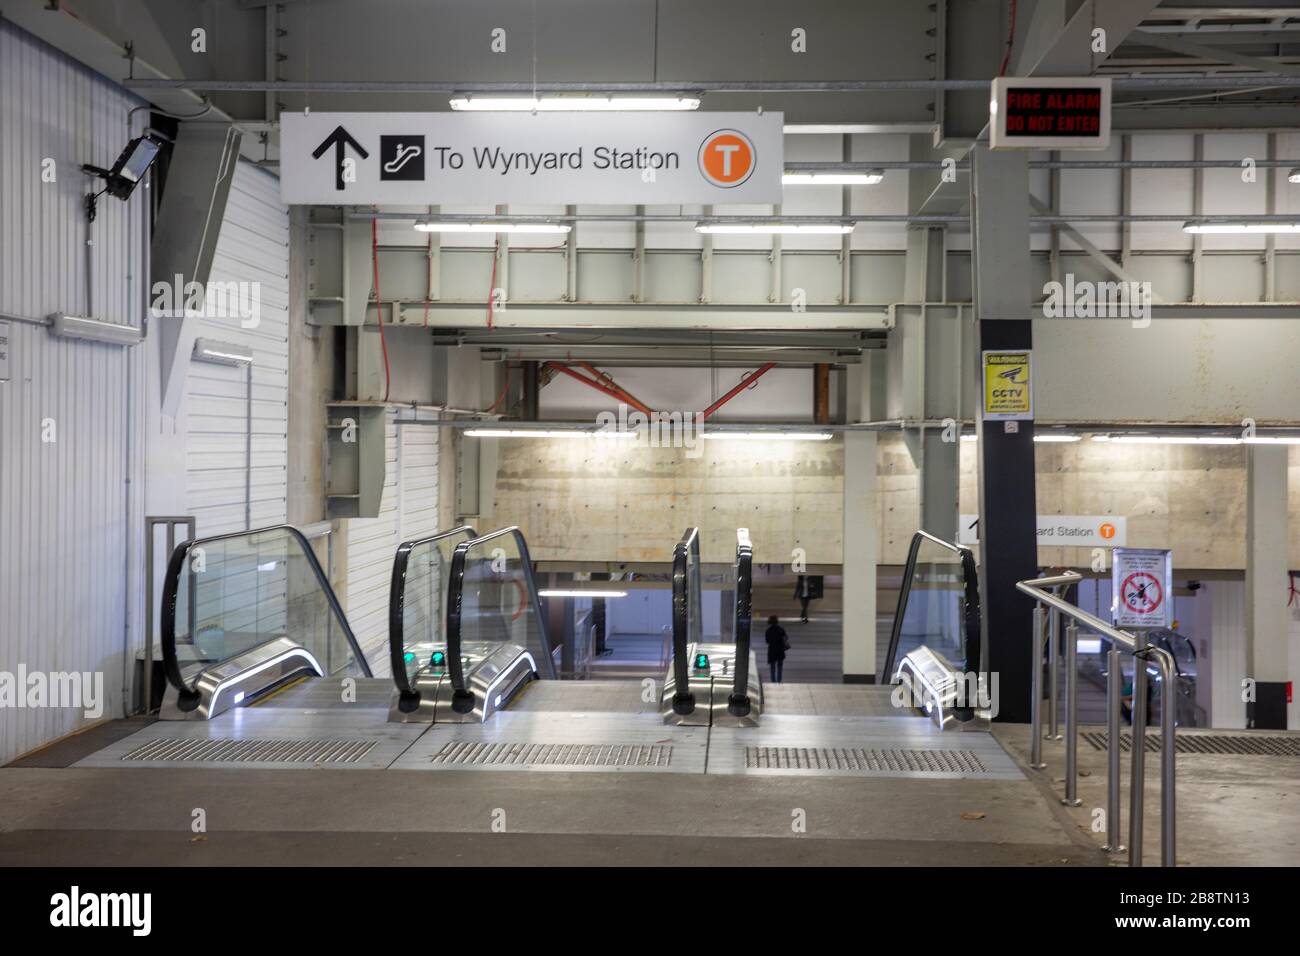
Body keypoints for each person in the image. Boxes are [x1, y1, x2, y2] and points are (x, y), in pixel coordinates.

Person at [765, 615, 789, 683]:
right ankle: (779, 680)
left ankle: (773, 681)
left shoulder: (768, 630)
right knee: (780, 666)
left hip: (772, 650)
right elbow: (786, 637)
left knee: (772, 667)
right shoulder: (781, 629)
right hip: (780, 650)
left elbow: (767, 641)